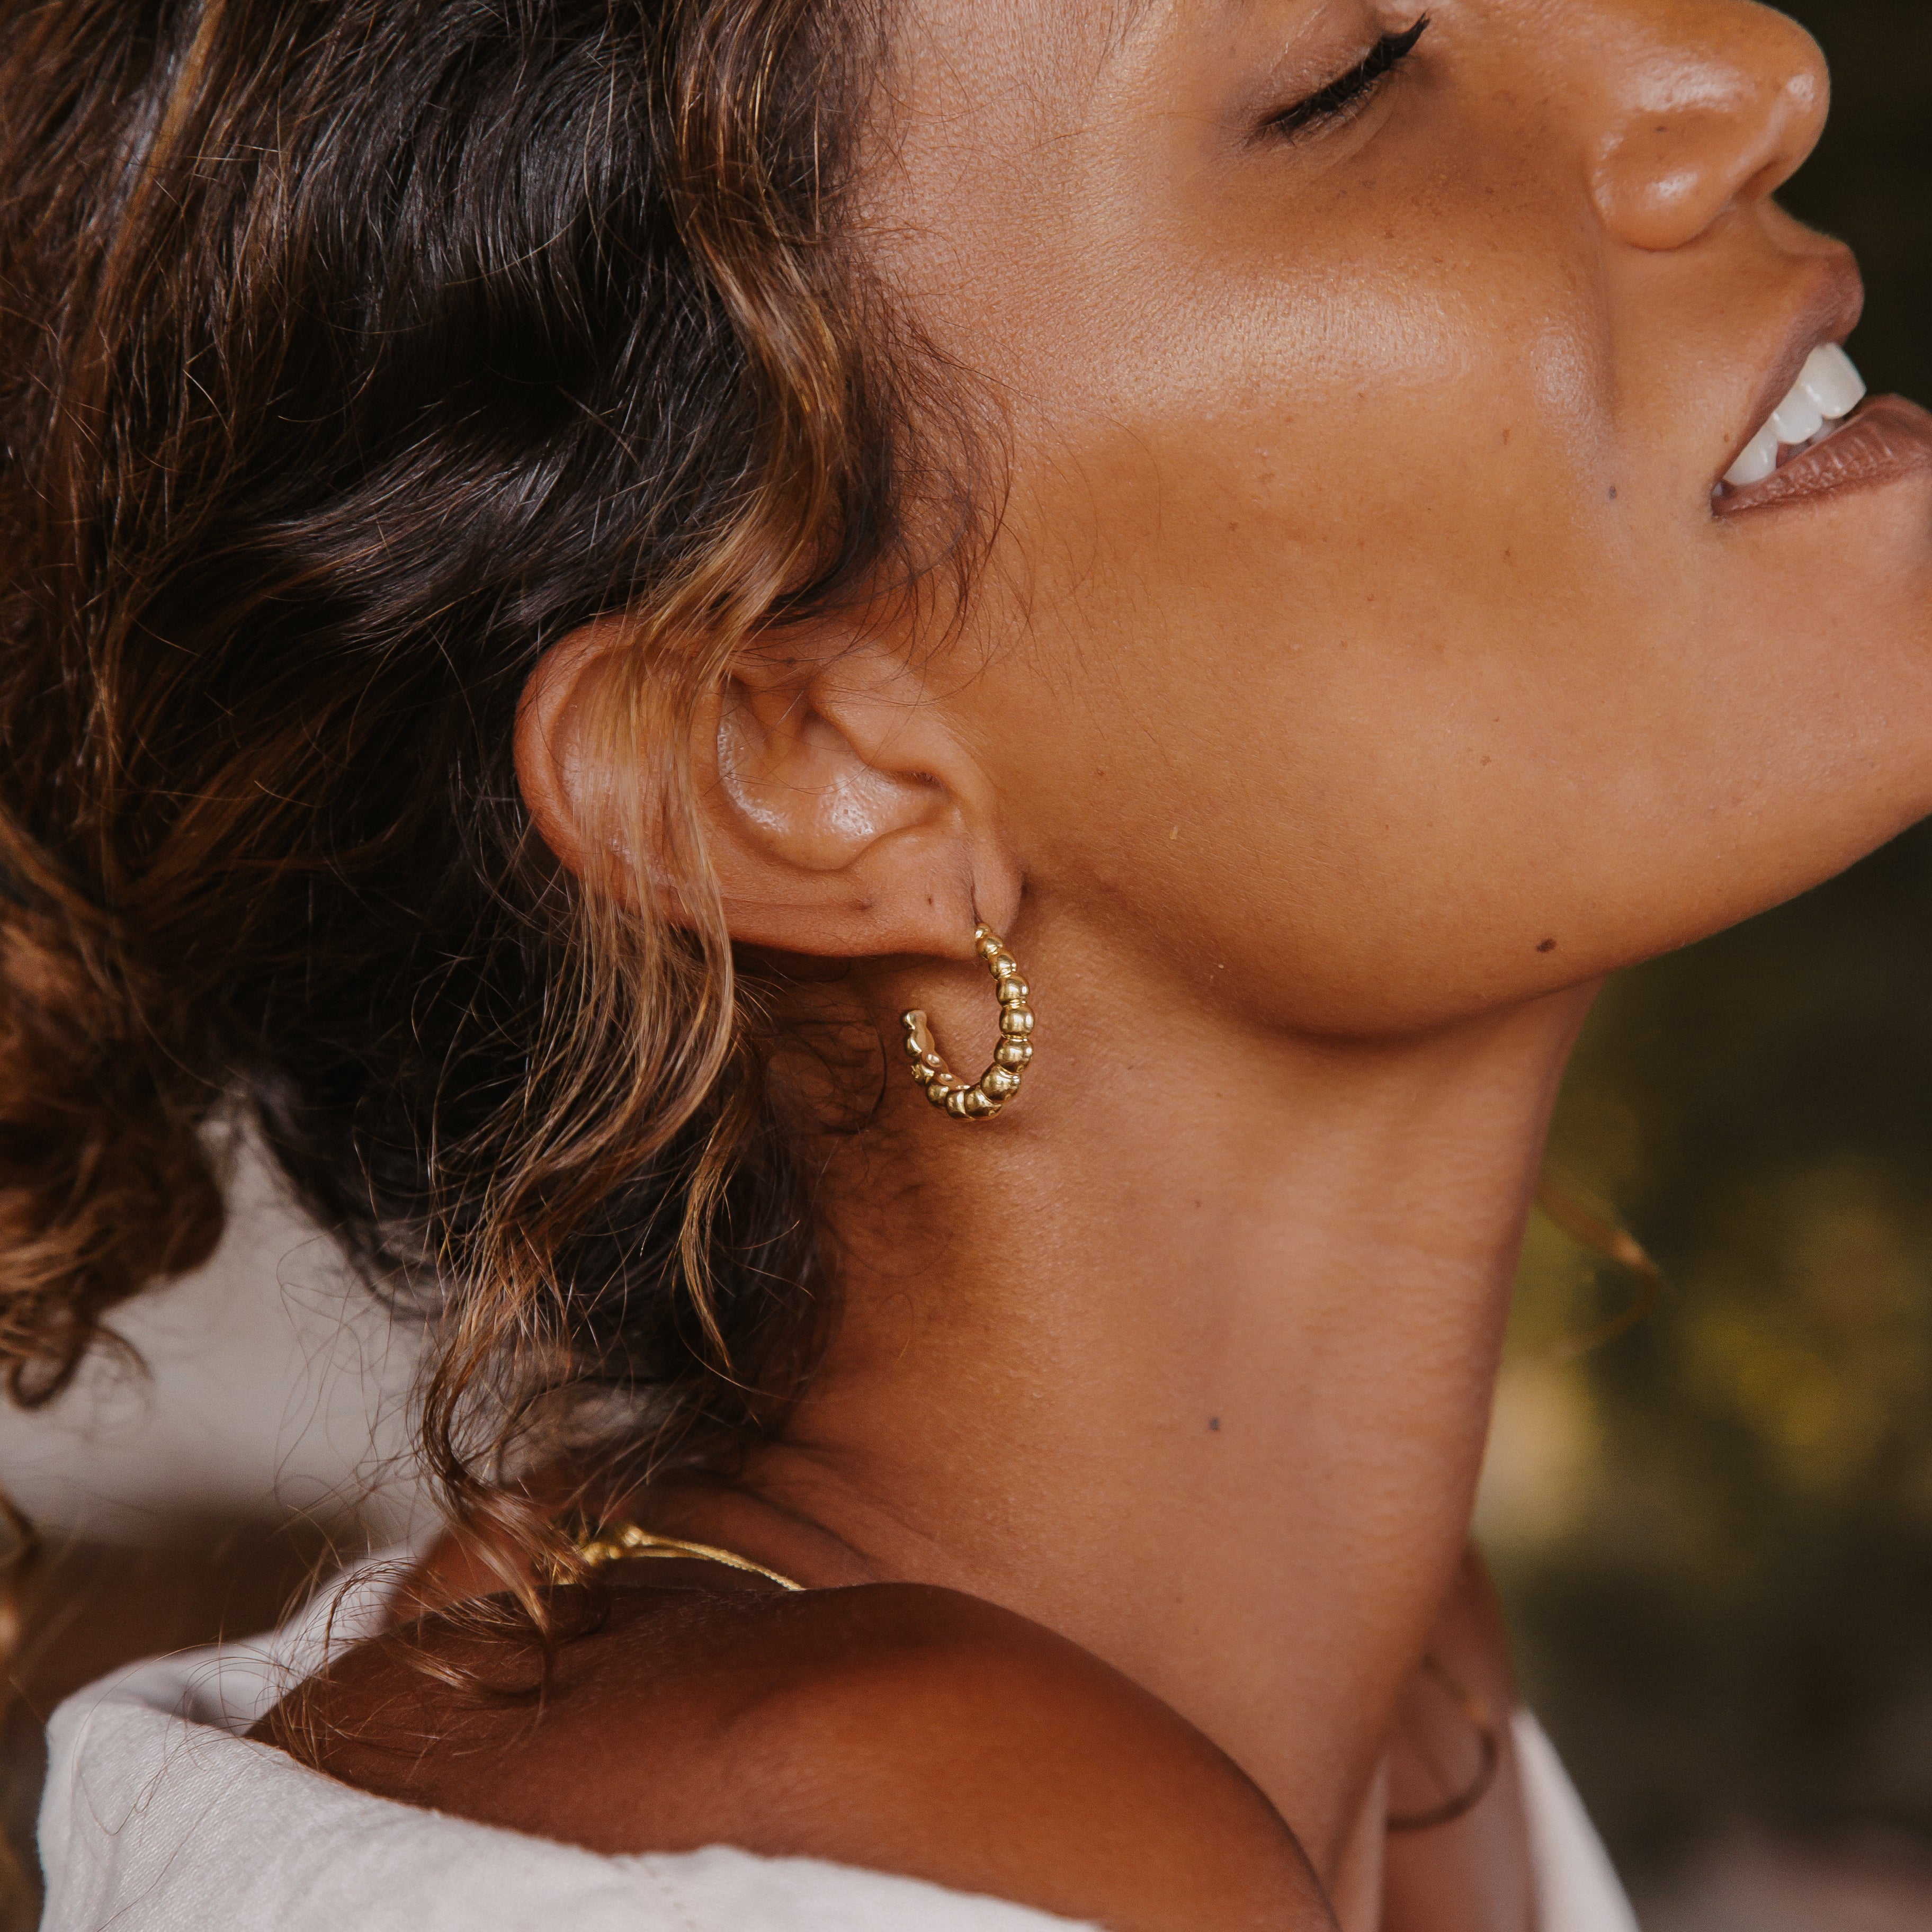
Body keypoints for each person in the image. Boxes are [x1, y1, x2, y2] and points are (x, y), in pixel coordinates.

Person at [7, 0, 1930, 1925]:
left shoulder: (1383, 1694)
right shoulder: (907, 1823)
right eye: (1349, 71)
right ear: (793, 775)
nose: (1747, 68)